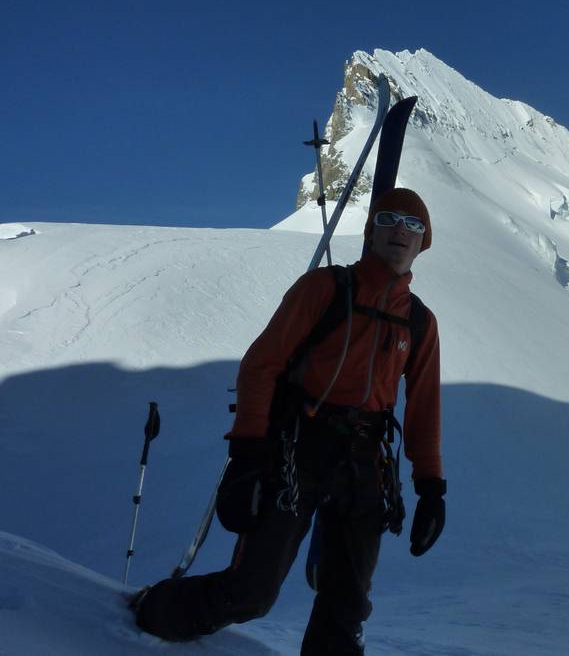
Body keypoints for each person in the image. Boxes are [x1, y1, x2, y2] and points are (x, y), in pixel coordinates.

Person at [132, 187, 445, 655]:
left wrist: (431, 489)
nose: (401, 230)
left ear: (424, 242)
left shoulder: (419, 322)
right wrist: (248, 452)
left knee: (347, 605)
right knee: (250, 594)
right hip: (297, 450)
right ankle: (152, 611)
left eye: (414, 224)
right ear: (370, 231)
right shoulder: (325, 289)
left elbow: (423, 408)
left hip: (364, 465)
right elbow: (261, 365)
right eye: (389, 219)